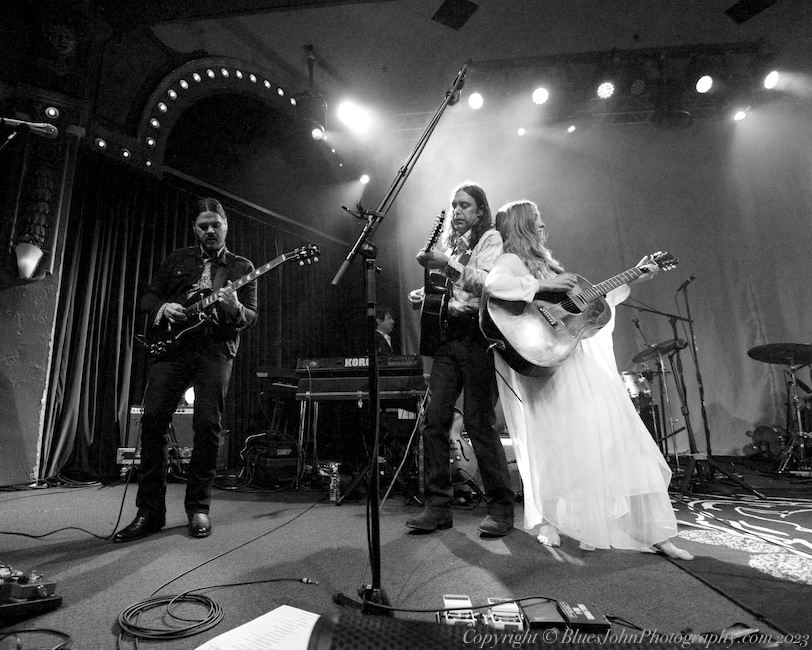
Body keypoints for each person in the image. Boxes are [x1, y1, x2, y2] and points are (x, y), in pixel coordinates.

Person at [483, 199, 691, 558]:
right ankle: (548, 520)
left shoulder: (550, 264)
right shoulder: (512, 261)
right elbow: (496, 285)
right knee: (554, 445)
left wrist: (634, 276)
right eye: (537, 219)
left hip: (574, 361)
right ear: (523, 226)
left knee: (621, 435)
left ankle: (649, 529)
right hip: (546, 365)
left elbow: (587, 307)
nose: (544, 225)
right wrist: (541, 286)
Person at [114, 198, 257, 542]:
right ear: (195, 228)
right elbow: (148, 297)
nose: (210, 230)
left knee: (207, 425)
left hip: (214, 350)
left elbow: (251, 316)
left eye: (215, 224)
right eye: (203, 225)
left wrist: (235, 308)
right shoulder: (178, 259)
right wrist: (164, 306)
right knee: (152, 420)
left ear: (226, 226)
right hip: (172, 349)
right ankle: (150, 511)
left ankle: (198, 509)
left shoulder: (241, 267)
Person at [406, 181, 514, 536]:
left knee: (480, 423)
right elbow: (453, 288)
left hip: (477, 338)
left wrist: (447, 264)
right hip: (448, 341)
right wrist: (426, 293)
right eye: (454, 205)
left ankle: (501, 508)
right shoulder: (454, 244)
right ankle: (438, 506)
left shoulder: (491, 240)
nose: (457, 211)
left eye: (465, 205)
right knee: (434, 421)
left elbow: (487, 283)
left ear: (480, 211)